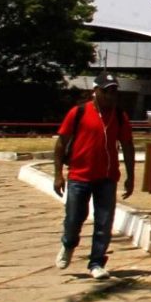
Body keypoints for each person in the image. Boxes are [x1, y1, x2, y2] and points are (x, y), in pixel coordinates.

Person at [53, 75, 136, 279]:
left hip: (107, 178)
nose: (111, 95)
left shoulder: (119, 116)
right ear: (96, 91)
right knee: (74, 218)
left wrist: (130, 176)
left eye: (114, 91)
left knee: (104, 222)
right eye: (107, 91)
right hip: (79, 176)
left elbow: (127, 146)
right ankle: (68, 244)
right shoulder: (79, 112)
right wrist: (58, 175)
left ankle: (96, 262)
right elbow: (61, 143)